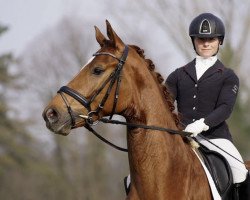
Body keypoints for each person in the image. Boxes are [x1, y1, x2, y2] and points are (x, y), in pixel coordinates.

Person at [166, 13, 249, 199]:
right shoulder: (178, 75)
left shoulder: (228, 76)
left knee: (239, 172)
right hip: (182, 138)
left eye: (210, 39)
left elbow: (225, 107)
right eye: (201, 39)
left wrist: (202, 124)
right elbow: (164, 105)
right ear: (194, 41)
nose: (205, 43)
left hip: (215, 138)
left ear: (219, 41)